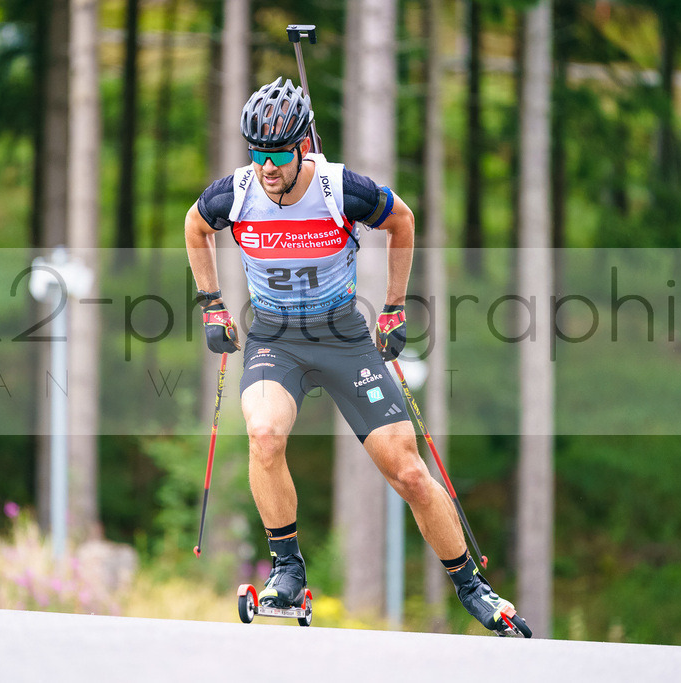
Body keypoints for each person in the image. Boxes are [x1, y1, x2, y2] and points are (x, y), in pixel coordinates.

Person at [184, 77, 526, 636]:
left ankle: (474, 589)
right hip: (275, 336)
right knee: (264, 434)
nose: (267, 168)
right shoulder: (236, 192)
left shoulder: (342, 189)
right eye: (257, 155)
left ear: (302, 148)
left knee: (409, 472)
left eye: (277, 155)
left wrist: (393, 307)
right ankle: (287, 571)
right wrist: (212, 303)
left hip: (342, 335)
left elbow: (403, 220)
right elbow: (195, 227)